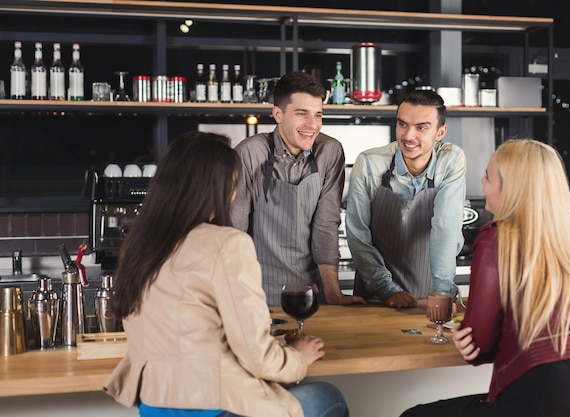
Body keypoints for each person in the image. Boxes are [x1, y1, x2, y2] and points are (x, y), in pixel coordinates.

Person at [103, 131, 350, 417]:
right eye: (233, 185)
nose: (234, 195)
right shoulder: (227, 243)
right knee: (329, 397)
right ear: (213, 189)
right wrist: (298, 358)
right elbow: (257, 357)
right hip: (213, 407)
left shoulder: (139, 244)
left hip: (153, 406)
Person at [400, 139, 570, 417]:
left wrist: (471, 343)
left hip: (540, 399)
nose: (481, 181)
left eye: (488, 176)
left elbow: (480, 341)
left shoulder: (495, 238)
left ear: (510, 188)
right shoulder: (566, 240)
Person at [232, 71, 365, 306]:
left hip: (312, 294)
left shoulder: (330, 152)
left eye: (318, 115)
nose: (312, 125)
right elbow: (235, 232)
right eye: (302, 114)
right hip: (257, 294)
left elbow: (326, 226)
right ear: (278, 114)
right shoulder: (250, 153)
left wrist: (333, 294)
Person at [346, 89, 466, 309]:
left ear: (440, 132)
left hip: (430, 297)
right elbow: (358, 235)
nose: (409, 136)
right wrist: (387, 290)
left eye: (421, 128)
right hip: (376, 298)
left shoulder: (450, 160)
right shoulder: (370, 164)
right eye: (402, 125)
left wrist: (441, 292)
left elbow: (445, 226)